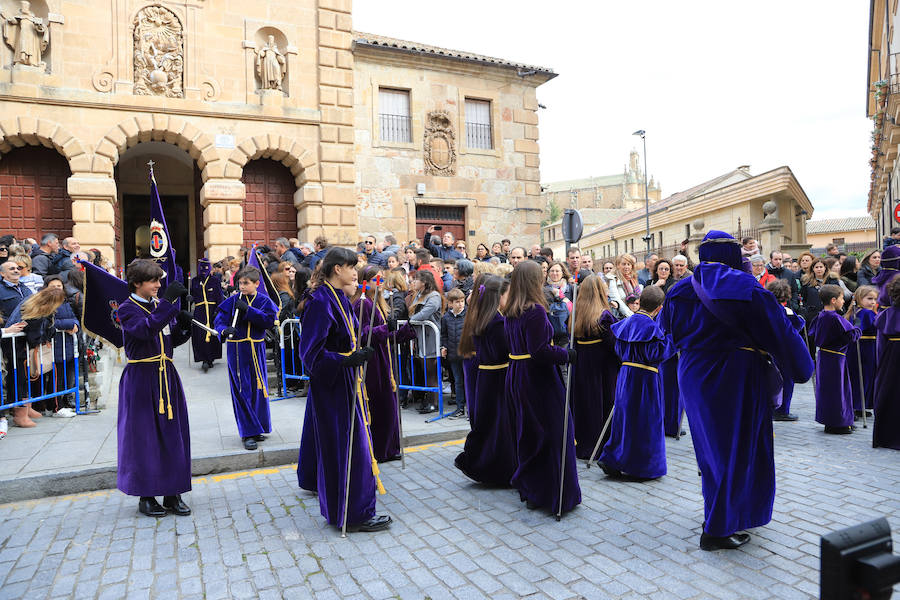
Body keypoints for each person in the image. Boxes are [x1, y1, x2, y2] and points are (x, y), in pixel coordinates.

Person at [659, 231, 814, 551]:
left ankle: (724, 512)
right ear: (733, 256)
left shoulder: (678, 290)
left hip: (694, 374)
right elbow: (778, 331)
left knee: (711, 449)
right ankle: (718, 528)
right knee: (738, 449)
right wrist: (802, 366)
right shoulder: (748, 289)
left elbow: (666, 333)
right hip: (736, 374)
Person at [297, 247, 391, 532]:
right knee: (347, 449)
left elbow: (349, 337)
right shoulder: (320, 301)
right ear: (337, 269)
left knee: (353, 447)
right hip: (332, 386)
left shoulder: (339, 298)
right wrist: (345, 360)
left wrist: (364, 346)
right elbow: (310, 355)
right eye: (351, 267)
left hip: (346, 381)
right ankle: (353, 514)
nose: (355, 272)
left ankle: (352, 509)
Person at [116, 260, 193, 517]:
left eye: (159, 280)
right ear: (137, 283)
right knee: (144, 438)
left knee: (173, 434)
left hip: (166, 376)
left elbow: (168, 340)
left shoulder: (158, 306)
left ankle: (173, 493)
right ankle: (146, 496)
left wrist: (184, 326)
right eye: (153, 281)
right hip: (141, 378)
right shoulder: (127, 309)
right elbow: (145, 330)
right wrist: (169, 304)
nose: (159, 285)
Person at [504, 260, 580, 514]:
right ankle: (550, 492)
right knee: (554, 432)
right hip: (537, 378)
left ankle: (533, 489)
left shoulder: (512, 309)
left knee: (530, 433)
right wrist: (565, 354)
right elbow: (539, 351)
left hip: (518, 374)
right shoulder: (534, 310)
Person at [598, 286, 674, 480]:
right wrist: (673, 341)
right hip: (645, 379)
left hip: (625, 374)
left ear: (640, 301)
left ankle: (613, 458)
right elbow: (655, 354)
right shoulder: (651, 327)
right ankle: (642, 467)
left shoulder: (626, 323)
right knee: (645, 421)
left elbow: (618, 349)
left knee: (624, 419)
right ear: (659, 308)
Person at [454, 274, 517, 485]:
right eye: (507, 295)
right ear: (498, 297)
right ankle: (499, 468)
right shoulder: (498, 322)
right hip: (498, 377)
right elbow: (505, 351)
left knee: (489, 422)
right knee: (500, 424)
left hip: (486, 376)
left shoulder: (483, 318)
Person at [351, 266, 414, 462]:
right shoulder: (362, 304)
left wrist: (404, 330)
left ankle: (388, 448)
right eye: (375, 279)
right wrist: (386, 328)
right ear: (364, 282)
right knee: (381, 405)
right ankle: (380, 449)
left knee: (388, 404)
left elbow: (385, 335)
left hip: (383, 359)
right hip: (373, 362)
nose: (379, 283)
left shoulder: (377, 303)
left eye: (381, 279)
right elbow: (362, 334)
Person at [214, 266, 279, 451]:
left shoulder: (264, 301)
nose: (241, 286)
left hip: (256, 348)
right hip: (237, 349)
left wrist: (249, 311)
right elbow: (219, 322)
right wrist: (224, 331)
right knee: (243, 390)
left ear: (256, 284)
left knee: (259, 389)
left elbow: (268, 321)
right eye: (240, 283)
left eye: (246, 283)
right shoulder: (232, 301)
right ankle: (247, 432)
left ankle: (257, 427)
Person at [569, 274, 619, 459]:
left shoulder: (575, 313)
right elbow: (613, 344)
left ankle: (583, 444)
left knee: (584, 404)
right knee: (602, 402)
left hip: (582, 364)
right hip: (601, 367)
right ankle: (600, 446)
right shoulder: (604, 316)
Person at [809, 285, 860, 434]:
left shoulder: (821, 315)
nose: (843, 301)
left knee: (830, 390)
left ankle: (840, 420)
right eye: (841, 298)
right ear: (833, 300)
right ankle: (837, 423)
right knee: (837, 391)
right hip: (835, 359)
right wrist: (857, 327)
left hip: (826, 357)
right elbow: (850, 336)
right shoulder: (834, 318)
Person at [765, 279, 804, 422]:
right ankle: (782, 410)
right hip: (784, 351)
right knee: (787, 380)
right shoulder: (787, 311)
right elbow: (797, 326)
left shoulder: (764, 309)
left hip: (768, 349)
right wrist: (802, 319)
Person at [408, 269, 444, 413]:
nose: (413, 282)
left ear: (424, 282)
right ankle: (428, 400)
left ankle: (434, 402)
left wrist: (410, 321)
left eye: (416, 279)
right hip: (421, 337)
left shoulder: (434, 296)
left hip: (431, 337)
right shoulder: (418, 295)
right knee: (425, 371)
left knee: (431, 371)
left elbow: (425, 313)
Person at [872, 278, 900, 449]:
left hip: (890, 359)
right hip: (891, 356)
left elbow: (880, 345)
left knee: (889, 394)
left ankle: (886, 435)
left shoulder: (887, 314)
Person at [846, 285, 878, 420]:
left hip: (861, 347)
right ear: (859, 298)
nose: (873, 302)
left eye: (874, 299)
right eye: (869, 298)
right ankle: (857, 405)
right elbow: (860, 327)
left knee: (861, 377)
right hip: (865, 349)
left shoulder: (857, 311)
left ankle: (860, 405)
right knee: (863, 377)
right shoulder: (866, 313)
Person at [190, 259, 223, 372]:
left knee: (213, 333)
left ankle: (211, 357)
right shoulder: (194, 281)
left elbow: (219, 296)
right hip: (200, 311)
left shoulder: (215, 280)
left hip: (212, 310)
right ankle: (204, 358)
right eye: (201, 268)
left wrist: (219, 310)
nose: (203, 270)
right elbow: (192, 295)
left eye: (206, 268)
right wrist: (190, 298)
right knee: (200, 333)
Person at [440, 288, 467, 418]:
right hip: (454, 355)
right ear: (450, 303)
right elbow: (444, 335)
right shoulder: (446, 318)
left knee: (468, 381)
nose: (460, 304)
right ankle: (460, 407)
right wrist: (444, 346)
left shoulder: (468, 314)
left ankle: (470, 408)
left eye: (462, 301)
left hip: (467, 354)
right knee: (458, 382)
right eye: (457, 302)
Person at [799, 258, 840, 326]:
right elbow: (803, 298)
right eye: (816, 267)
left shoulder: (832, 281)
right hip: (812, 315)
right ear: (813, 268)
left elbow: (838, 296)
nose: (819, 269)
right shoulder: (807, 282)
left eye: (821, 267)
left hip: (830, 314)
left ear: (825, 268)